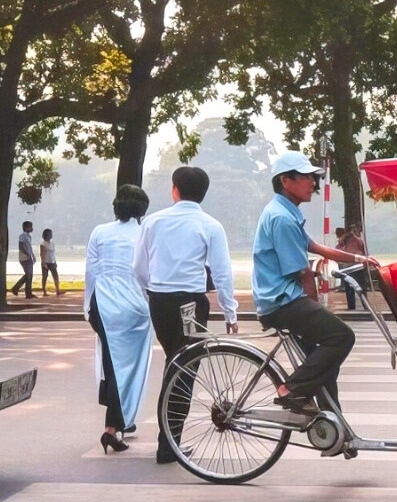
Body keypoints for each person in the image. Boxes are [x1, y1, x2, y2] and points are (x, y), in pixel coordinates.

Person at [252, 151, 376, 416]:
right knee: (342, 337)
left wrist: (359, 258)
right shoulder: (282, 218)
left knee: (323, 363)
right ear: (286, 181)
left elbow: (316, 247)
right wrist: (316, 307)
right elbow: (304, 273)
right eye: (307, 178)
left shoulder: (286, 212)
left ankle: (334, 425)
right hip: (282, 302)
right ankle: (291, 390)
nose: (313, 184)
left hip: (283, 299)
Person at [136, 165, 240, 463]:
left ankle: (168, 440)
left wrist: (151, 290)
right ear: (203, 194)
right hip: (190, 303)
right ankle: (169, 444)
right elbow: (221, 272)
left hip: (160, 300)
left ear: (174, 189)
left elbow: (138, 267)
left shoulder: (153, 222)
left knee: (174, 364)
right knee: (184, 370)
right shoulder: (210, 225)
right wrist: (230, 311)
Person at [87, 186, 153, 454]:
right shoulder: (144, 233)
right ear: (142, 209)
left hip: (101, 305)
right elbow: (146, 273)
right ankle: (113, 427)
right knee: (128, 368)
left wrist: (87, 308)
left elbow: (91, 272)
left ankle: (118, 422)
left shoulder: (99, 231)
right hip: (134, 308)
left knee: (111, 365)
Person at [12, 221, 36, 298]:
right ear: (26, 228)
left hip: (28, 257)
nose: (32, 228)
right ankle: (25, 292)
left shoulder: (29, 236)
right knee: (29, 275)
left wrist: (32, 255)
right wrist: (27, 254)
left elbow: (29, 247)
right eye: (30, 227)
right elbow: (21, 246)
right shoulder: (22, 236)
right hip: (24, 258)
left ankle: (21, 290)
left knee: (29, 275)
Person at [39, 228, 60, 296]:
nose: (49, 236)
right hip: (46, 262)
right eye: (48, 234)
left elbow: (53, 254)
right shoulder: (43, 244)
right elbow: (42, 254)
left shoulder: (52, 244)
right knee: (45, 277)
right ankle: (44, 291)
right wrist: (43, 262)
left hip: (52, 261)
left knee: (55, 276)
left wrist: (55, 261)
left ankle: (57, 290)